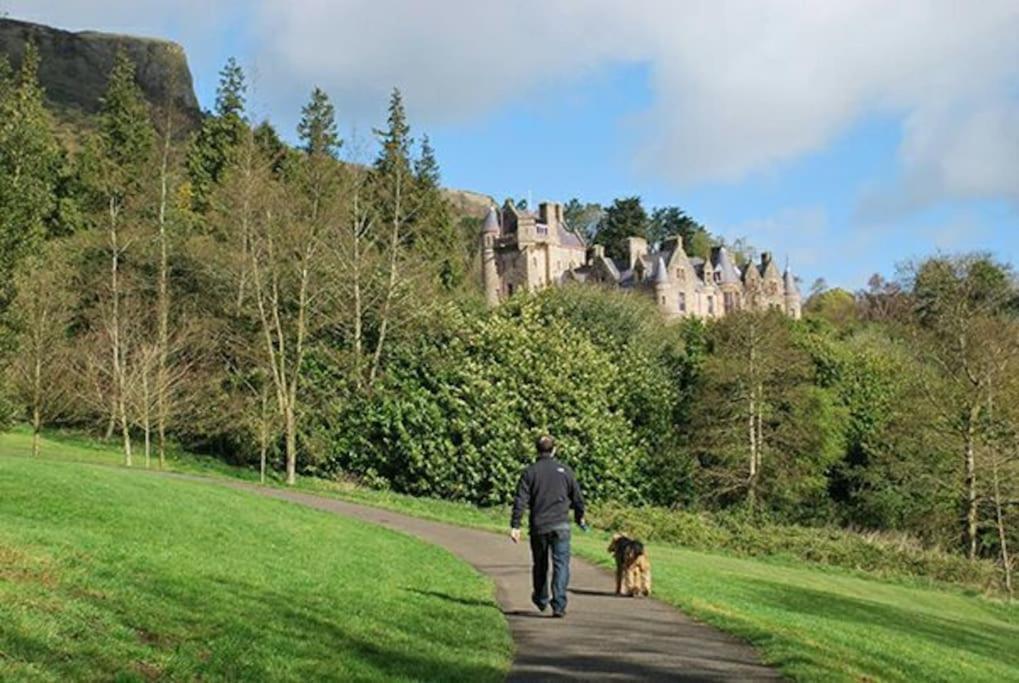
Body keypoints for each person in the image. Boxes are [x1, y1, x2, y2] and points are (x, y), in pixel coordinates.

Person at [510, 434, 586, 618]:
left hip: (539, 525)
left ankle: (541, 597)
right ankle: (559, 604)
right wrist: (579, 517)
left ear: (537, 450)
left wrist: (515, 525)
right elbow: (577, 498)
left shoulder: (530, 472)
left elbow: (521, 500)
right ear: (554, 450)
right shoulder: (565, 470)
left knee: (540, 563)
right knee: (561, 565)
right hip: (561, 524)